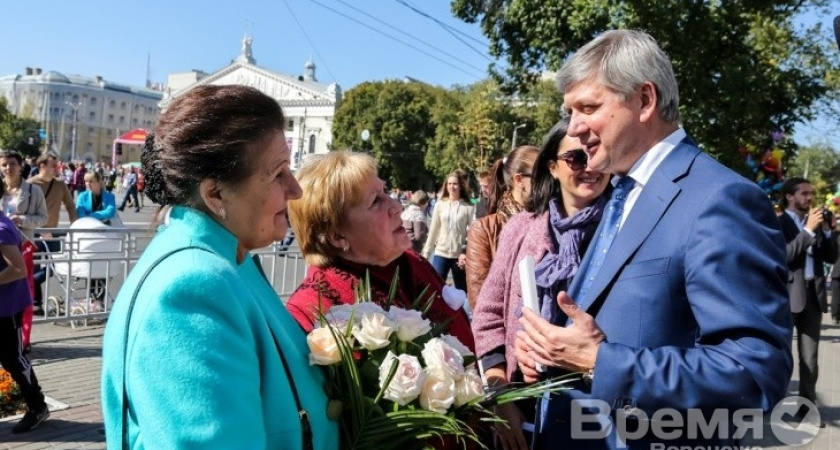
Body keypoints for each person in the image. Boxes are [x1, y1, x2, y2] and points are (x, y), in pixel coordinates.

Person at [515, 30, 792, 449]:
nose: (574, 128)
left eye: (588, 108)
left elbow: (753, 374)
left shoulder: (720, 199)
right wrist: (553, 351)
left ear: (645, 100)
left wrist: (600, 363)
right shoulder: (620, 194)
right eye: (569, 112)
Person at [101, 84, 338, 449]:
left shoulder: (225, 259)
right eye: (278, 173)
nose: (295, 190)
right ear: (215, 194)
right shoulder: (194, 288)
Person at [471, 125, 608, 450]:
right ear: (552, 167)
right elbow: (488, 316)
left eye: (597, 154)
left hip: (597, 413)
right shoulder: (520, 228)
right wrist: (500, 396)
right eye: (576, 158)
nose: (590, 166)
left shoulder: (624, 230)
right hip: (523, 410)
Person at [285, 151, 474, 350]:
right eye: (375, 201)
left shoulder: (413, 263)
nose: (396, 206)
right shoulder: (314, 311)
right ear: (337, 236)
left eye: (385, 192)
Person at [777, 177, 836, 407]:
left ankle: (807, 407)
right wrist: (808, 231)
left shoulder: (816, 222)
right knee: (781, 355)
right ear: (789, 196)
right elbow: (784, 256)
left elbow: (831, 257)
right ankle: (775, 403)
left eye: (811, 193)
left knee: (810, 358)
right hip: (787, 297)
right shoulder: (779, 223)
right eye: (804, 193)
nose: (810, 198)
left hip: (813, 296)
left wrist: (827, 231)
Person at [465, 145, 539, 311]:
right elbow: (480, 299)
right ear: (519, 180)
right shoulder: (484, 229)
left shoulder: (551, 219)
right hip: (506, 323)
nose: (550, 181)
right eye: (541, 176)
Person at [0, 191, 50, 434]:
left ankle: (37, 406)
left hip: (6, 309)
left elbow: (18, 269)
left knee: (13, 360)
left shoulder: (1, 229)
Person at [27, 153, 78, 313]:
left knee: (59, 265)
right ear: (42, 166)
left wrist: (75, 226)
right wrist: (38, 228)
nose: (57, 168)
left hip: (53, 232)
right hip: (33, 232)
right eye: (53, 165)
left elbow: (70, 206)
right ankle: (36, 304)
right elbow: (24, 210)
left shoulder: (60, 184)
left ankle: (34, 282)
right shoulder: (30, 184)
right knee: (34, 266)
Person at [421, 172, 474, 293]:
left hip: (459, 256)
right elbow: (434, 229)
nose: (452, 187)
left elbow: (471, 233)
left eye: (455, 184)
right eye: (449, 184)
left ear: (461, 186)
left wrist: (466, 252)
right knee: (436, 289)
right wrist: (426, 252)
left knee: (462, 292)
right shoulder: (440, 205)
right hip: (441, 252)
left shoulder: (468, 207)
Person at [401, 190, 430, 254]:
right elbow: (419, 236)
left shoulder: (405, 212)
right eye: (426, 202)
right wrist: (428, 237)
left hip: (402, 246)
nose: (427, 204)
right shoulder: (418, 215)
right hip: (413, 248)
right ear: (422, 202)